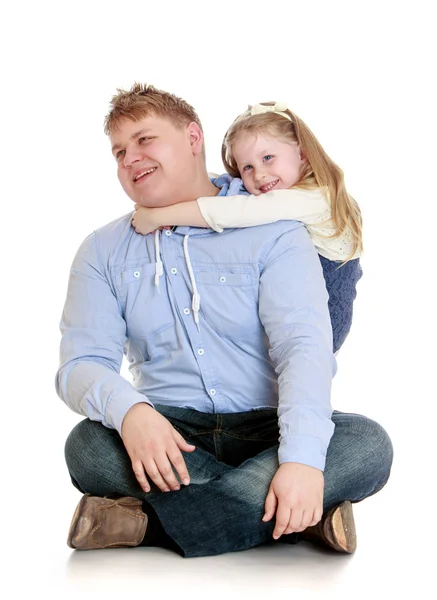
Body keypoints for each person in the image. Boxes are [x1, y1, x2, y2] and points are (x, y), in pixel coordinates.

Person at [56, 83, 393, 558]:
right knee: (88, 447)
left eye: (145, 140)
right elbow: (80, 364)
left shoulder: (274, 223)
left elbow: (303, 346)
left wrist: (298, 460)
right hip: (170, 434)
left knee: (368, 446)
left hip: (269, 429)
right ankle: (296, 518)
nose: (130, 158)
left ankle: (145, 525)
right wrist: (133, 415)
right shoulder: (102, 250)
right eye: (119, 151)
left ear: (193, 137)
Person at [131, 101, 363, 353]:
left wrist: (157, 216)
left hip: (324, 322)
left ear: (302, 154)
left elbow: (234, 211)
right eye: (248, 167)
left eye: (268, 158)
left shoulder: (314, 199)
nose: (259, 175)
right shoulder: (304, 192)